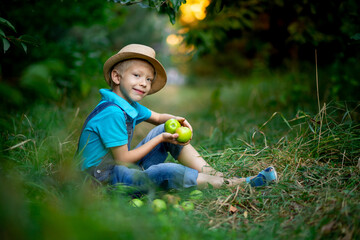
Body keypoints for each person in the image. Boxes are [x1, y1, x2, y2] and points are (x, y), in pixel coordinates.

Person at [77, 44, 277, 192]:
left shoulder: (129, 105)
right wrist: (161, 139)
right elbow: (123, 159)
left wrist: (177, 120)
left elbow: (158, 118)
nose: (144, 84)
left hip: (119, 170)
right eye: (137, 76)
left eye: (148, 79)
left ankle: (216, 175)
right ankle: (236, 185)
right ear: (117, 77)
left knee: (166, 128)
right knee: (167, 171)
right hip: (101, 182)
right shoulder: (112, 112)